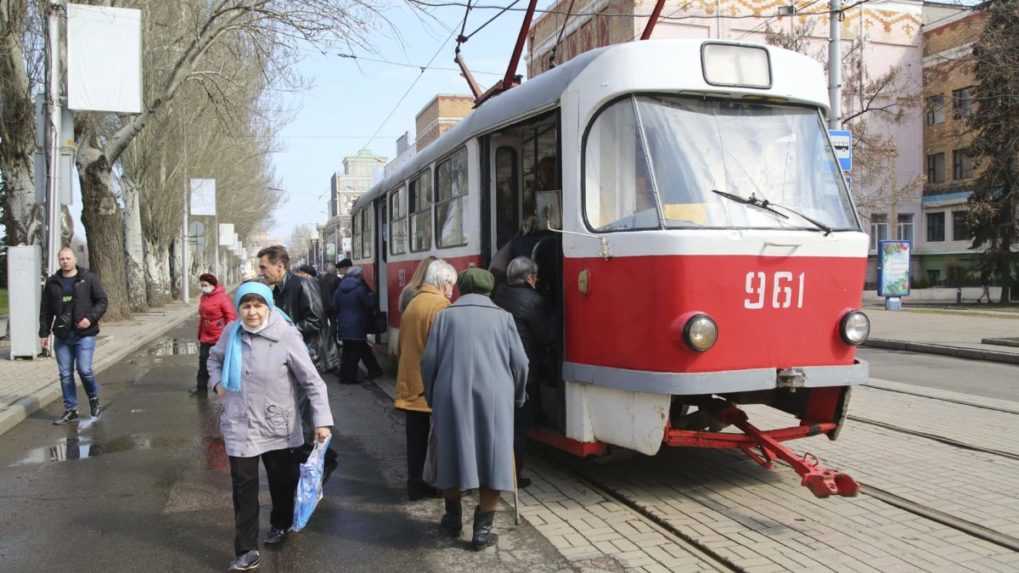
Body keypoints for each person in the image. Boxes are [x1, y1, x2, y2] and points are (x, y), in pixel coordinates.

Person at [208, 281, 334, 572]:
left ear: (268, 306)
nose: (252, 312)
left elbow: (312, 381)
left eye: (258, 305)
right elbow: (215, 359)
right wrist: (217, 384)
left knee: (281, 483)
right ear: (239, 308)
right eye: (246, 306)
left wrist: (322, 421)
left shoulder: (286, 335)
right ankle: (246, 550)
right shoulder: (231, 332)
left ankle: (279, 523)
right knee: (243, 490)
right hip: (240, 423)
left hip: (278, 425)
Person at [422, 267, 528, 549]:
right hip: (495, 397)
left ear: (461, 288)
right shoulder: (504, 318)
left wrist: (432, 395)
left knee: (451, 452)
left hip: (450, 394)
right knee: (493, 459)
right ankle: (482, 532)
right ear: (490, 289)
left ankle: (452, 519)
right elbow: (521, 363)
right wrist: (517, 396)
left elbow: (428, 361)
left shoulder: (445, 316)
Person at [395, 259, 456, 500]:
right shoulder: (441, 307)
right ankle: (441, 483)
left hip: (411, 382)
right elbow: (445, 349)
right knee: (439, 438)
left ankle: (415, 483)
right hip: (430, 386)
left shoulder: (414, 302)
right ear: (443, 283)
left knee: (416, 439)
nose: (453, 291)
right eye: (452, 286)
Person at [492, 257, 554, 489]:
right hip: (523, 372)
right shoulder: (535, 301)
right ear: (530, 278)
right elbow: (547, 335)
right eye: (535, 277)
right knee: (518, 426)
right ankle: (514, 475)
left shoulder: (498, 295)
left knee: (501, 423)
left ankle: (497, 469)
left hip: (498, 368)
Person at [39, 246, 109, 425]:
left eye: (68, 258)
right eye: (62, 258)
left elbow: (102, 301)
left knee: (84, 370)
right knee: (65, 374)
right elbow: (45, 310)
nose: (65, 261)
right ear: (59, 260)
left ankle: (93, 398)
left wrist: (90, 318)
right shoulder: (52, 283)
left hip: (85, 333)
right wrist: (44, 333)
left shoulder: (88, 278)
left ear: (75, 260)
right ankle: (71, 409)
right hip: (62, 335)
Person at [257, 245, 324, 368]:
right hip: (285, 352)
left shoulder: (303, 284)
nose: (261, 273)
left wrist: (284, 331)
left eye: (263, 268)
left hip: (303, 354)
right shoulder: (276, 289)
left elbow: (315, 321)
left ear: (280, 266)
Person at [334, 266, 383, 384]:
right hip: (358, 325)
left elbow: (335, 306)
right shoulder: (360, 289)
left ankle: (348, 375)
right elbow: (369, 304)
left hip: (344, 325)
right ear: (358, 276)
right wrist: (372, 296)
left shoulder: (339, 289)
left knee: (348, 351)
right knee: (355, 352)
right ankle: (349, 378)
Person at [194, 273, 236, 396]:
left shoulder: (222, 297)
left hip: (218, 336)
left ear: (213, 285)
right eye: (201, 285)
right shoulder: (204, 297)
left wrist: (229, 333)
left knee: (219, 362)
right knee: (203, 362)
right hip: (205, 334)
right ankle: (201, 389)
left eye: (205, 285)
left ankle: (224, 388)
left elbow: (230, 316)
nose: (203, 287)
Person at [318, 262, 341, 372]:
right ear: (334, 270)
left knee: (325, 328)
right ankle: (333, 341)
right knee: (334, 324)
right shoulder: (336, 280)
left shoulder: (321, 279)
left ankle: (329, 341)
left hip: (323, 306)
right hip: (333, 306)